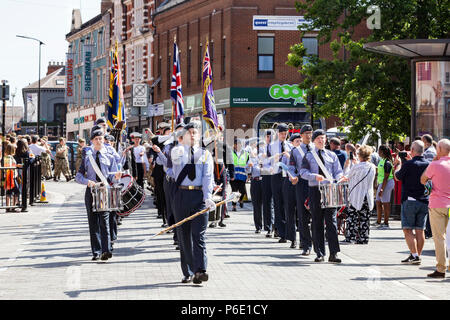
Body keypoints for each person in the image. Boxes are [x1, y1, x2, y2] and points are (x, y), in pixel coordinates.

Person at [170, 120, 215, 284]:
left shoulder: (205, 154)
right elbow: (175, 171)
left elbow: (207, 177)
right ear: (184, 135)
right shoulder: (177, 152)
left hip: (199, 197)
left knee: (199, 235)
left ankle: (200, 270)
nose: (193, 135)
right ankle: (188, 271)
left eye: (195, 133)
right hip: (182, 195)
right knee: (184, 236)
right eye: (189, 133)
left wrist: (208, 196)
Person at [75, 129, 121, 261]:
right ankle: (96, 251)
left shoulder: (109, 156)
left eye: (101, 139)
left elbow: (113, 177)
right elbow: (78, 176)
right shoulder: (87, 156)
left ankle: (106, 251)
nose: (99, 141)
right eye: (96, 139)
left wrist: (117, 177)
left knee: (105, 221)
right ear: (92, 141)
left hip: (104, 190)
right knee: (93, 222)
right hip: (91, 191)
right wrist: (87, 182)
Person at [300, 129, 344, 263]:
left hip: (330, 189)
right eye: (318, 138)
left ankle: (334, 253)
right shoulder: (308, 155)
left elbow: (338, 171)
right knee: (317, 222)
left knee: (332, 222)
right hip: (315, 190)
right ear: (314, 140)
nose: (321, 140)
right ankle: (319, 253)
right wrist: (314, 176)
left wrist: (340, 178)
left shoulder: (332, 155)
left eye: (323, 138)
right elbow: (302, 171)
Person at [393, 140, 429, 265]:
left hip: (410, 200)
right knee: (420, 230)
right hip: (424, 200)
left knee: (407, 229)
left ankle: (414, 255)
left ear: (412, 150)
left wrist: (398, 164)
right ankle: (417, 255)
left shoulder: (408, 164)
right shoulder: (428, 164)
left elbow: (397, 177)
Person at [421, 139, 450, 278]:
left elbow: (423, 179)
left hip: (437, 203)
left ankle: (441, 268)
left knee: (439, 237)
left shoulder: (435, 164)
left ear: (438, 149)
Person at [343, 145, 376, 244]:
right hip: (368, 196)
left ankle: (351, 237)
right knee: (365, 218)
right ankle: (364, 238)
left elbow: (347, 175)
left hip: (356, 195)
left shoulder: (356, 167)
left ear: (359, 155)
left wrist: (348, 163)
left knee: (352, 217)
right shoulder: (372, 167)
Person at [290, 124, 314, 255]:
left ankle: (316, 241)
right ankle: (306, 244)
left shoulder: (317, 149)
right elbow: (291, 168)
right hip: (301, 183)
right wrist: (292, 177)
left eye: (310, 133)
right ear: (302, 135)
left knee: (316, 215)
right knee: (302, 215)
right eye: (306, 134)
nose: (309, 136)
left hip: (315, 184)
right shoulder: (296, 151)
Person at [268, 123, 291, 243]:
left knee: (287, 204)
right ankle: (281, 233)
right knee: (278, 204)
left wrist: (289, 156)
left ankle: (289, 232)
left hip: (287, 176)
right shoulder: (271, 146)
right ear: (278, 133)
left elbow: (294, 161)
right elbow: (266, 161)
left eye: (285, 133)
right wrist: (271, 163)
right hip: (276, 175)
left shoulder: (290, 146)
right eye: (282, 133)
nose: (283, 135)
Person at [284, 133, 301, 249]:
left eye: (300, 141)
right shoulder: (287, 154)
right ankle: (293, 239)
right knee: (290, 211)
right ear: (292, 143)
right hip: (289, 183)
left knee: (301, 212)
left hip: (301, 183)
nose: (299, 143)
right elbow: (283, 167)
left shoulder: (305, 153)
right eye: (297, 141)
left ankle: (304, 240)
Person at [246, 138, 264, 233]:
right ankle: (258, 226)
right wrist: (249, 167)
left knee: (268, 205)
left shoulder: (266, 159)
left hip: (265, 181)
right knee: (256, 205)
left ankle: (270, 226)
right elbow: (247, 170)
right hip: (255, 181)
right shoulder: (251, 159)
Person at [375, 145, 395, 228]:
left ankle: (386, 223)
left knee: (386, 203)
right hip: (382, 183)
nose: (378, 152)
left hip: (386, 183)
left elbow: (386, 177)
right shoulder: (382, 160)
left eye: (379, 151)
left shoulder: (387, 162)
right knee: (378, 201)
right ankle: (379, 221)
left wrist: (382, 189)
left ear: (382, 152)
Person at [260, 130, 275, 238]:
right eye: (267, 136)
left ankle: (277, 227)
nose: (268, 138)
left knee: (278, 202)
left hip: (276, 175)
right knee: (267, 202)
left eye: (270, 136)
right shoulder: (262, 148)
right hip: (266, 175)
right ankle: (269, 226)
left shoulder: (277, 147)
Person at [230, 138, 248, 211]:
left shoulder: (246, 153)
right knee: (234, 192)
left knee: (242, 191)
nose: (238, 146)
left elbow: (248, 163)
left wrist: (248, 175)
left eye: (239, 144)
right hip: (233, 176)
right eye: (236, 144)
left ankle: (240, 200)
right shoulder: (230, 153)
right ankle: (234, 206)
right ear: (234, 145)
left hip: (242, 176)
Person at [4, 143, 20, 212]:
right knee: (16, 191)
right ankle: (12, 207)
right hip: (11, 176)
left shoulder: (8, 157)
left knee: (9, 191)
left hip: (11, 176)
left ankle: (9, 207)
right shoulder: (9, 157)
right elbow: (9, 166)